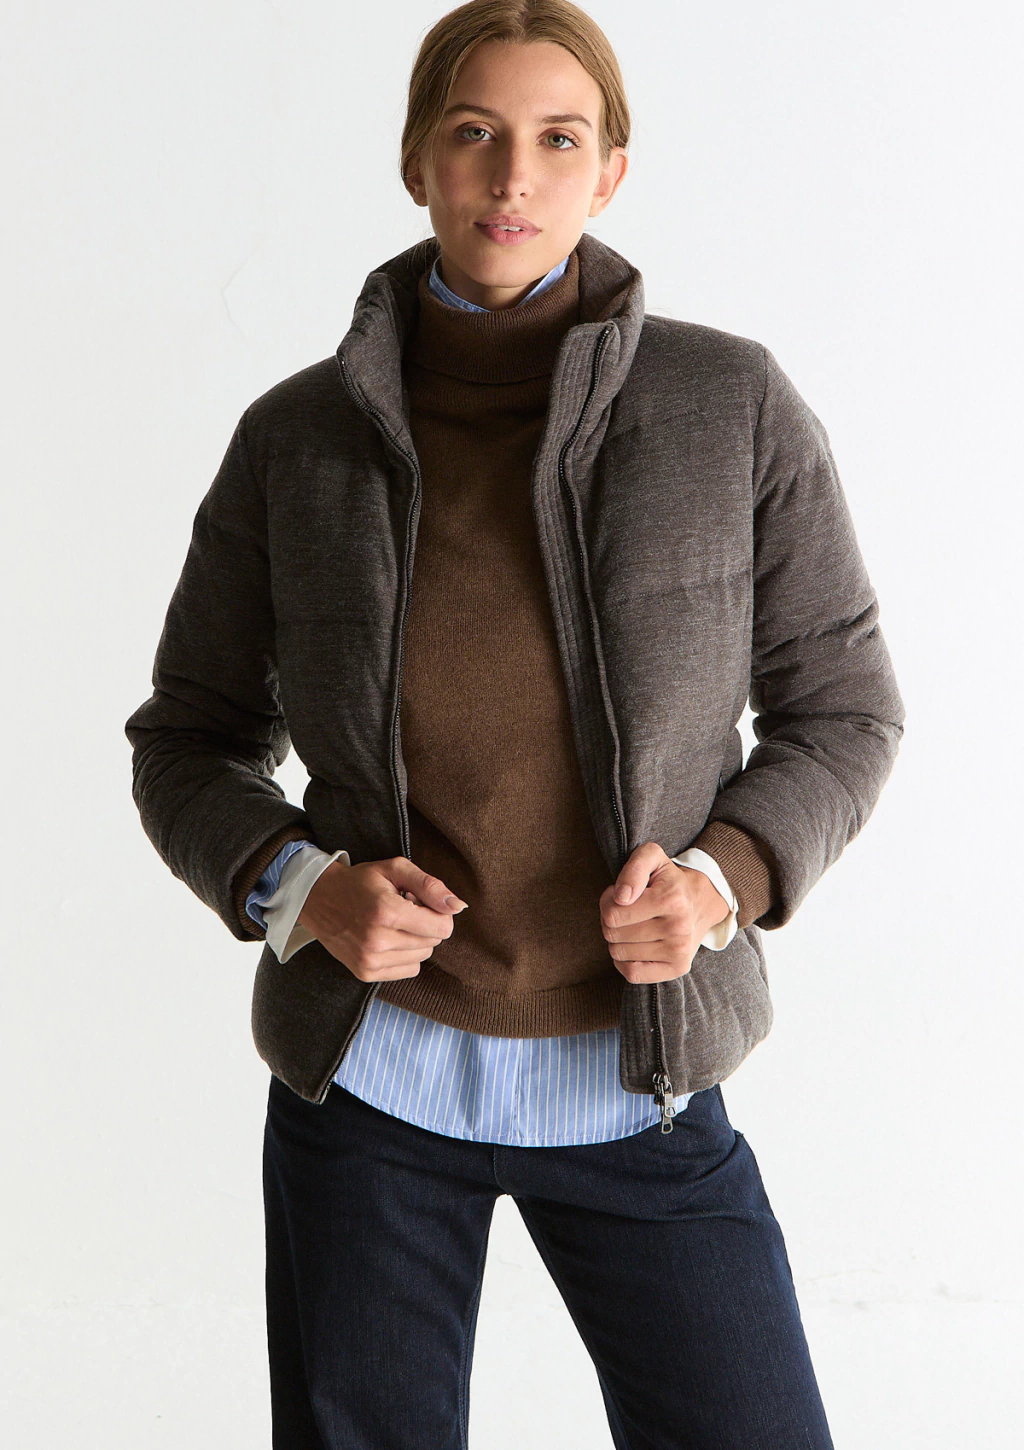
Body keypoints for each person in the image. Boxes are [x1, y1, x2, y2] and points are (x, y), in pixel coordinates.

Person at [125, 2, 905, 1445]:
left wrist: (720, 882)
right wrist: (302, 888)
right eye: (474, 132)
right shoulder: (296, 439)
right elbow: (186, 736)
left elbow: (845, 709)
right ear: (417, 160)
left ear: (611, 172)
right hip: (369, 1082)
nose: (511, 177)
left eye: (558, 139)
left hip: (640, 1075)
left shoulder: (728, 403)